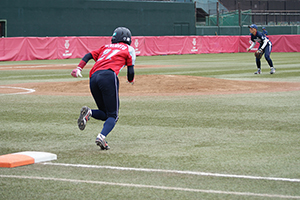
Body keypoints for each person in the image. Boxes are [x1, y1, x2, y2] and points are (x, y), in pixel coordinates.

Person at [71, 27, 136, 150]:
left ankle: (89, 112)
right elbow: (130, 70)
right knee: (113, 116)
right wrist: (130, 80)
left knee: (105, 114)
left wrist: (79, 68)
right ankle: (101, 137)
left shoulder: (105, 47)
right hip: (108, 76)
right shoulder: (129, 49)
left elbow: (88, 55)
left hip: (93, 77)